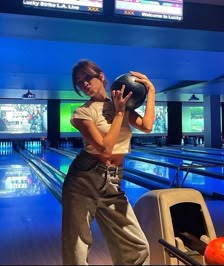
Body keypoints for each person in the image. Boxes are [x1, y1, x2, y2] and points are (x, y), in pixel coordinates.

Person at [62, 59, 156, 265]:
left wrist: (151, 90)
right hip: (84, 179)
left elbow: (147, 126)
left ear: (101, 76)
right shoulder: (82, 113)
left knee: (137, 246)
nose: (84, 83)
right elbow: (105, 149)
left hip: (113, 180)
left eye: (87, 77)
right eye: (79, 82)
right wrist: (120, 113)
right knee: (77, 248)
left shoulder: (121, 105)